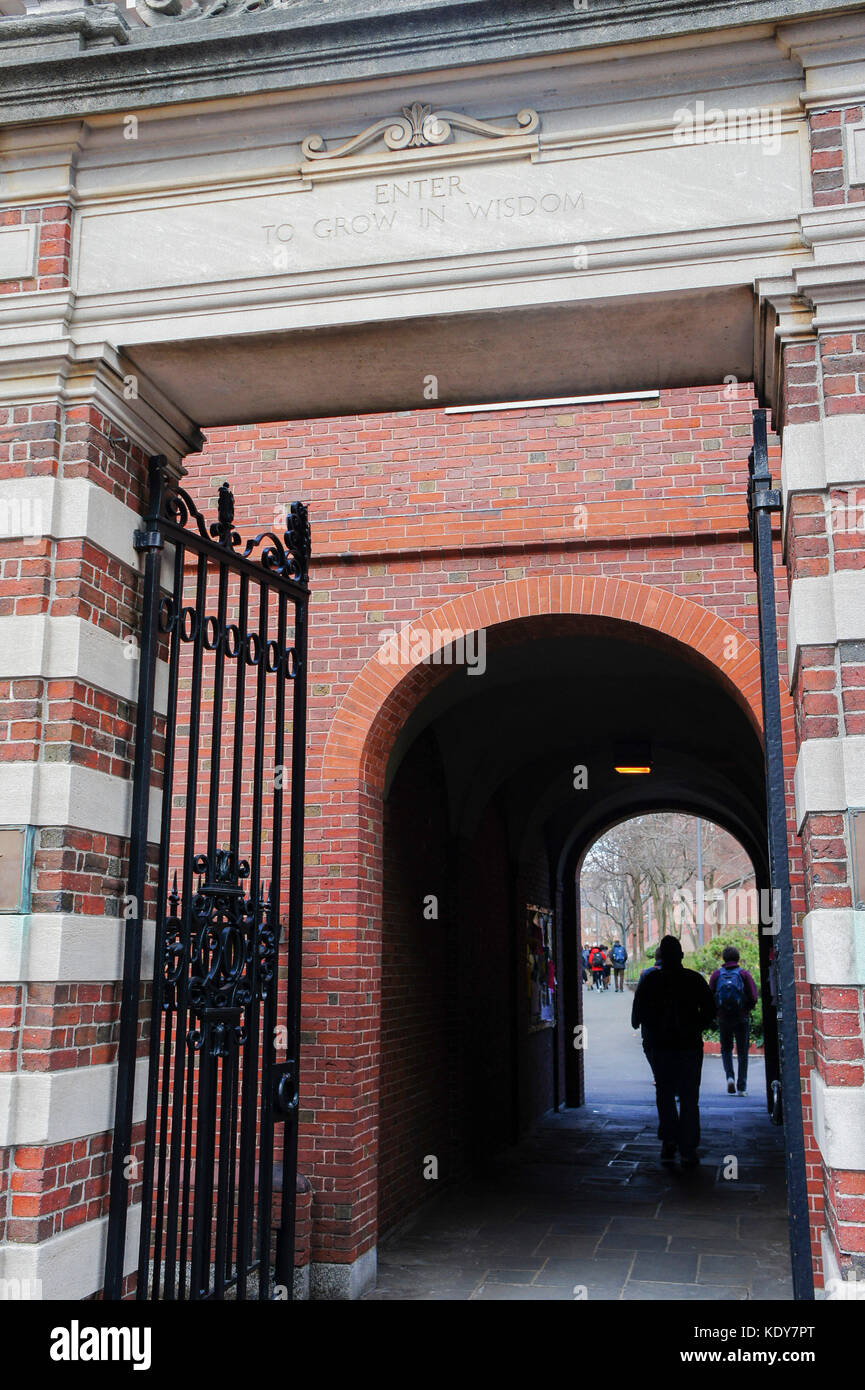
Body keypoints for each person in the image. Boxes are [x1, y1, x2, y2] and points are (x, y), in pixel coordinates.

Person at [631, 935, 716, 1166]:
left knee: (665, 1094)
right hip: (689, 1046)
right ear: (681, 955)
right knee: (689, 1096)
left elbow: (637, 1015)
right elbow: (710, 1010)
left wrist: (653, 1027)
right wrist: (695, 1026)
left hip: (661, 1047)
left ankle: (669, 1140)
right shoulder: (693, 979)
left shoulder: (650, 981)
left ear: (660, 956)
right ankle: (688, 1147)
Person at [709, 946, 758, 1096]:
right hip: (741, 1017)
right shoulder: (743, 974)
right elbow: (754, 996)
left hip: (723, 1017)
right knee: (742, 1052)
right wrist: (747, 1009)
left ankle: (730, 1077)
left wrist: (717, 1012)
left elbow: (709, 996)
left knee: (726, 1049)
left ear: (723, 958)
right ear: (738, 958)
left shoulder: (717, 974)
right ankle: (741, 1087)